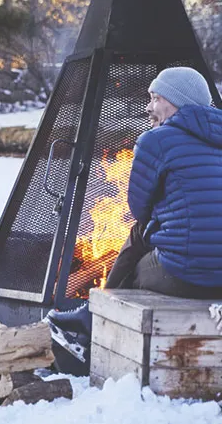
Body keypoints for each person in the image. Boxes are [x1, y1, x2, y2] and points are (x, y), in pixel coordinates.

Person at [48, 67, 222, 360]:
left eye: (155, 98)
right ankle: (90, 318)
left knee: (138, 243)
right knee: (146, 233)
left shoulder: (157, 140)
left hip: (187, 276)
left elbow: (138, 209)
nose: (148, 107)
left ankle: (91, 324)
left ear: (176, 102)